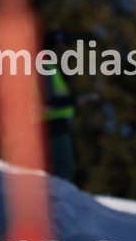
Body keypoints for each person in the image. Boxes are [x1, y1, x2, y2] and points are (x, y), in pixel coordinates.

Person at [41, 31, 96, 183]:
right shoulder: (45, 67)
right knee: (63, 167)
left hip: (54, 123)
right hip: (52, 124)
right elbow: (47, 101)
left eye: (65, 50)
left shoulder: (49, 68)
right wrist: (74, 100)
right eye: (58, 49)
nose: (62, 54)